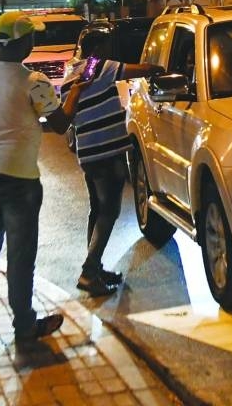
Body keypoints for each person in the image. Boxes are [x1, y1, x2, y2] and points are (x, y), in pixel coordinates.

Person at [0, 11, 86, 346]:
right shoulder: (33, 81)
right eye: (31, 37)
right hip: (19, 177)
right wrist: (75, 92)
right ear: (23, 41)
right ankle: (24, 325)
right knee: (20, 254)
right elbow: (60, 124)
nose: (34, 42)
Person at [62, 30, 163, 296]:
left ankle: (94, 268)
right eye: (106, 47)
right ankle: (89, 270)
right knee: (110, 211)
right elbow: (140, 69)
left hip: (88, 154)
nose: (110, 52)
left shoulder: (71, 73)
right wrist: (160, 67)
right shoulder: (100, 67)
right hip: (107, 153)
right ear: (96, 49)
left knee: (97, 211)